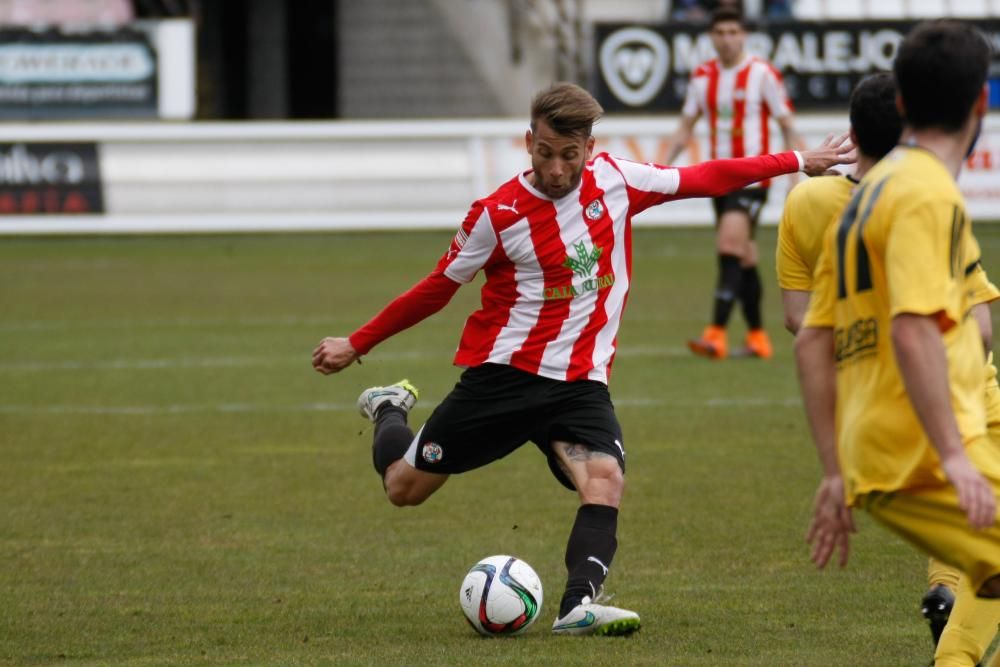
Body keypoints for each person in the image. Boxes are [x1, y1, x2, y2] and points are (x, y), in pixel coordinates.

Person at [312, 82, 852, 636]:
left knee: (604, 478)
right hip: (503, 378)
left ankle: (577, 606)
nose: (556, 169)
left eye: (569, 155)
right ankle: (387, 409)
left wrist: (795, 161)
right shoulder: (496, 216)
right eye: (545, 152)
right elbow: (436, 289)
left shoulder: (617, 181)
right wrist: (358, 342)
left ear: (589, 148)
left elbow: (703, 177)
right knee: (404, 488)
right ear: (528, 141)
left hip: (579, 385)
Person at [793, 20, 1000, 665]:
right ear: (980, 105)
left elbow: (811, 340)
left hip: (876, 453)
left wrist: (834, 470)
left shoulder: (866, 196)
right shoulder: (926, 193)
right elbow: (913, 327)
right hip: (926, 451)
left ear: (903, 103)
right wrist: (955, 457)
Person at [664, 6, 807, 360]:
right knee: (744, 257)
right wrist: (661, 168)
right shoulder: (702, 77)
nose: (727, 39)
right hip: (719, 179)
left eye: (733, 32)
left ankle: (716, 334)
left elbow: (788, 126)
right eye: (721, 33)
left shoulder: (763, 74)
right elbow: (686, 127)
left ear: (744, 36)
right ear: (711, 37)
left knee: (729, 244)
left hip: (754, 178)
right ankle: (759, 337)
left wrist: (794, 175)